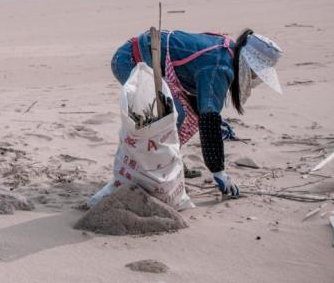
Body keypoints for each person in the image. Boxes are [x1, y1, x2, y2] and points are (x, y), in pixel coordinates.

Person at [110, 29, 282, 198]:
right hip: (131, 61)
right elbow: (209, 120)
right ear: (248, 63)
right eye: (255, 72)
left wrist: (213, 117)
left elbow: (204, 104)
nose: (253, 77)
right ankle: (147, 174)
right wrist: (219, 172)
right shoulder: (220, 65)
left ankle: (168, 163)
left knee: (188, 115)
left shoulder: (229, 50)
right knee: (169, 117)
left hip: (150, 63)